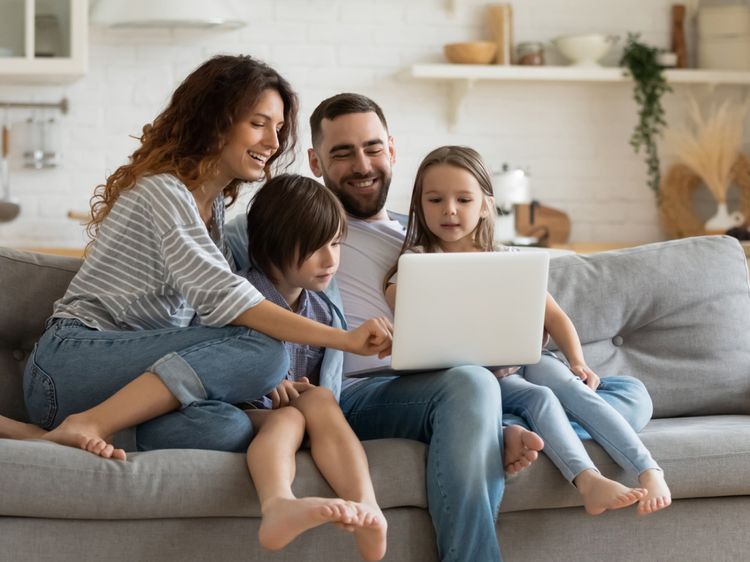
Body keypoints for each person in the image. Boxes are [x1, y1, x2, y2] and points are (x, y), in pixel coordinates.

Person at [226, 93, 655, 561]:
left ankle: (495, 426)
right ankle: (489, 457)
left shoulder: (429, 230)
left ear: (391, 149)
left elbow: (510, 296)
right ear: (315, 161)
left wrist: (525, 341)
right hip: (366, 389)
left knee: (630, 395)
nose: (362, 164)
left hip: (465, 378)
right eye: (342, 153)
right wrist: (270, 374)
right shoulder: (287, 228)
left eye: (371, 148)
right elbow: (228, 306)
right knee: (473, 384)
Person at [0, 56, 392, 461]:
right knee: (267, 351)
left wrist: (253, 376)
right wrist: (344, 339)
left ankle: (51, 432)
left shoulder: (214, 213)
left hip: (120, 382)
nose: (273, 143)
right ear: (215, 120)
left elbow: (209, 322)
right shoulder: (163, 193)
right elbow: (227, 300)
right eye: (258, 124)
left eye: (277, 128)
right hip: (72, 363)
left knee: (228, 427)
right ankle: (89, 423)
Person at [384, 144, 672, 517]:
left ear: (486, 204)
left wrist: (578, 361)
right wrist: (404, 286)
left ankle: (649, 470)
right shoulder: (418, 263)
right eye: (435, 199)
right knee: (541, 399)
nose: (449, 210)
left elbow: (556, 318)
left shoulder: (507, 259)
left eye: (463, 199)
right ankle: (587, 479)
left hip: (526, 358)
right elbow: (399, 305)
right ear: (420, 205)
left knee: (570, 386)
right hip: (479, 378)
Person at [240, 173, 386, 560]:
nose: (331, 259)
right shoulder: (240, 297)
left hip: (299, 413)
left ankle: (368, 507)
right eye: (316, 247)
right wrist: (265, 381)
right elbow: (212, 362)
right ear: (272, 247)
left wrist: (302, 389)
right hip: (243, 410)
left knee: (320, 399)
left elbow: (319, 385)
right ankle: (279, 503)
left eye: (336, 243)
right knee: (290, 420)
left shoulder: (322, 309)